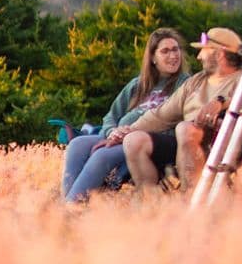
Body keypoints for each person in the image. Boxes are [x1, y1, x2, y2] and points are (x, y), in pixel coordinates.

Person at [116, 27, 242, 192]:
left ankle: (190, 197)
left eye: (203, 51)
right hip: (184, 147)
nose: (198, 57)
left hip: (223, 147)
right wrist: (126, 131)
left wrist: (221, 102)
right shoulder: (196, 81)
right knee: (134, 140)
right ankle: (149, 201)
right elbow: (161, 115)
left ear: (219, 54)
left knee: (186, 128)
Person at [62, 28, 190, 202]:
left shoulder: (184, 84)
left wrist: (127, 134)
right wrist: (112, 132)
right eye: (165, 51)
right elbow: (110, 116)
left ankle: (71, 206)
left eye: (176, 49)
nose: (173, 55)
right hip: (116, 136)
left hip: (142, 140)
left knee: (102, 155)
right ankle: (68, 203)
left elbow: (176, 121)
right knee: (77, 144)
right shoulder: (138, 84)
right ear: (153, 58)